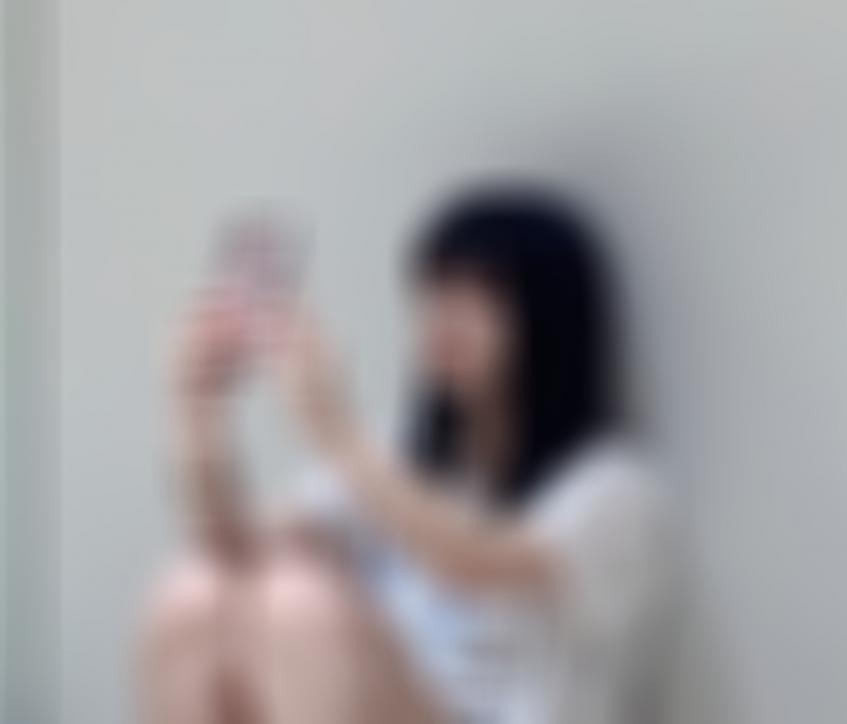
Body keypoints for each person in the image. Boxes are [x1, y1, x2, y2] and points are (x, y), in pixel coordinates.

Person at [139, 184, 670, 724]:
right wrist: (195, 411)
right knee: (193, 592)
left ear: (549, 316)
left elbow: (475, 561)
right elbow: (236, 550)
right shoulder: (402, 456)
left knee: (298, 609)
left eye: (480, 296)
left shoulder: (614, 491)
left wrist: (334, 429)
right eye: (436, 291)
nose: (445, 316)